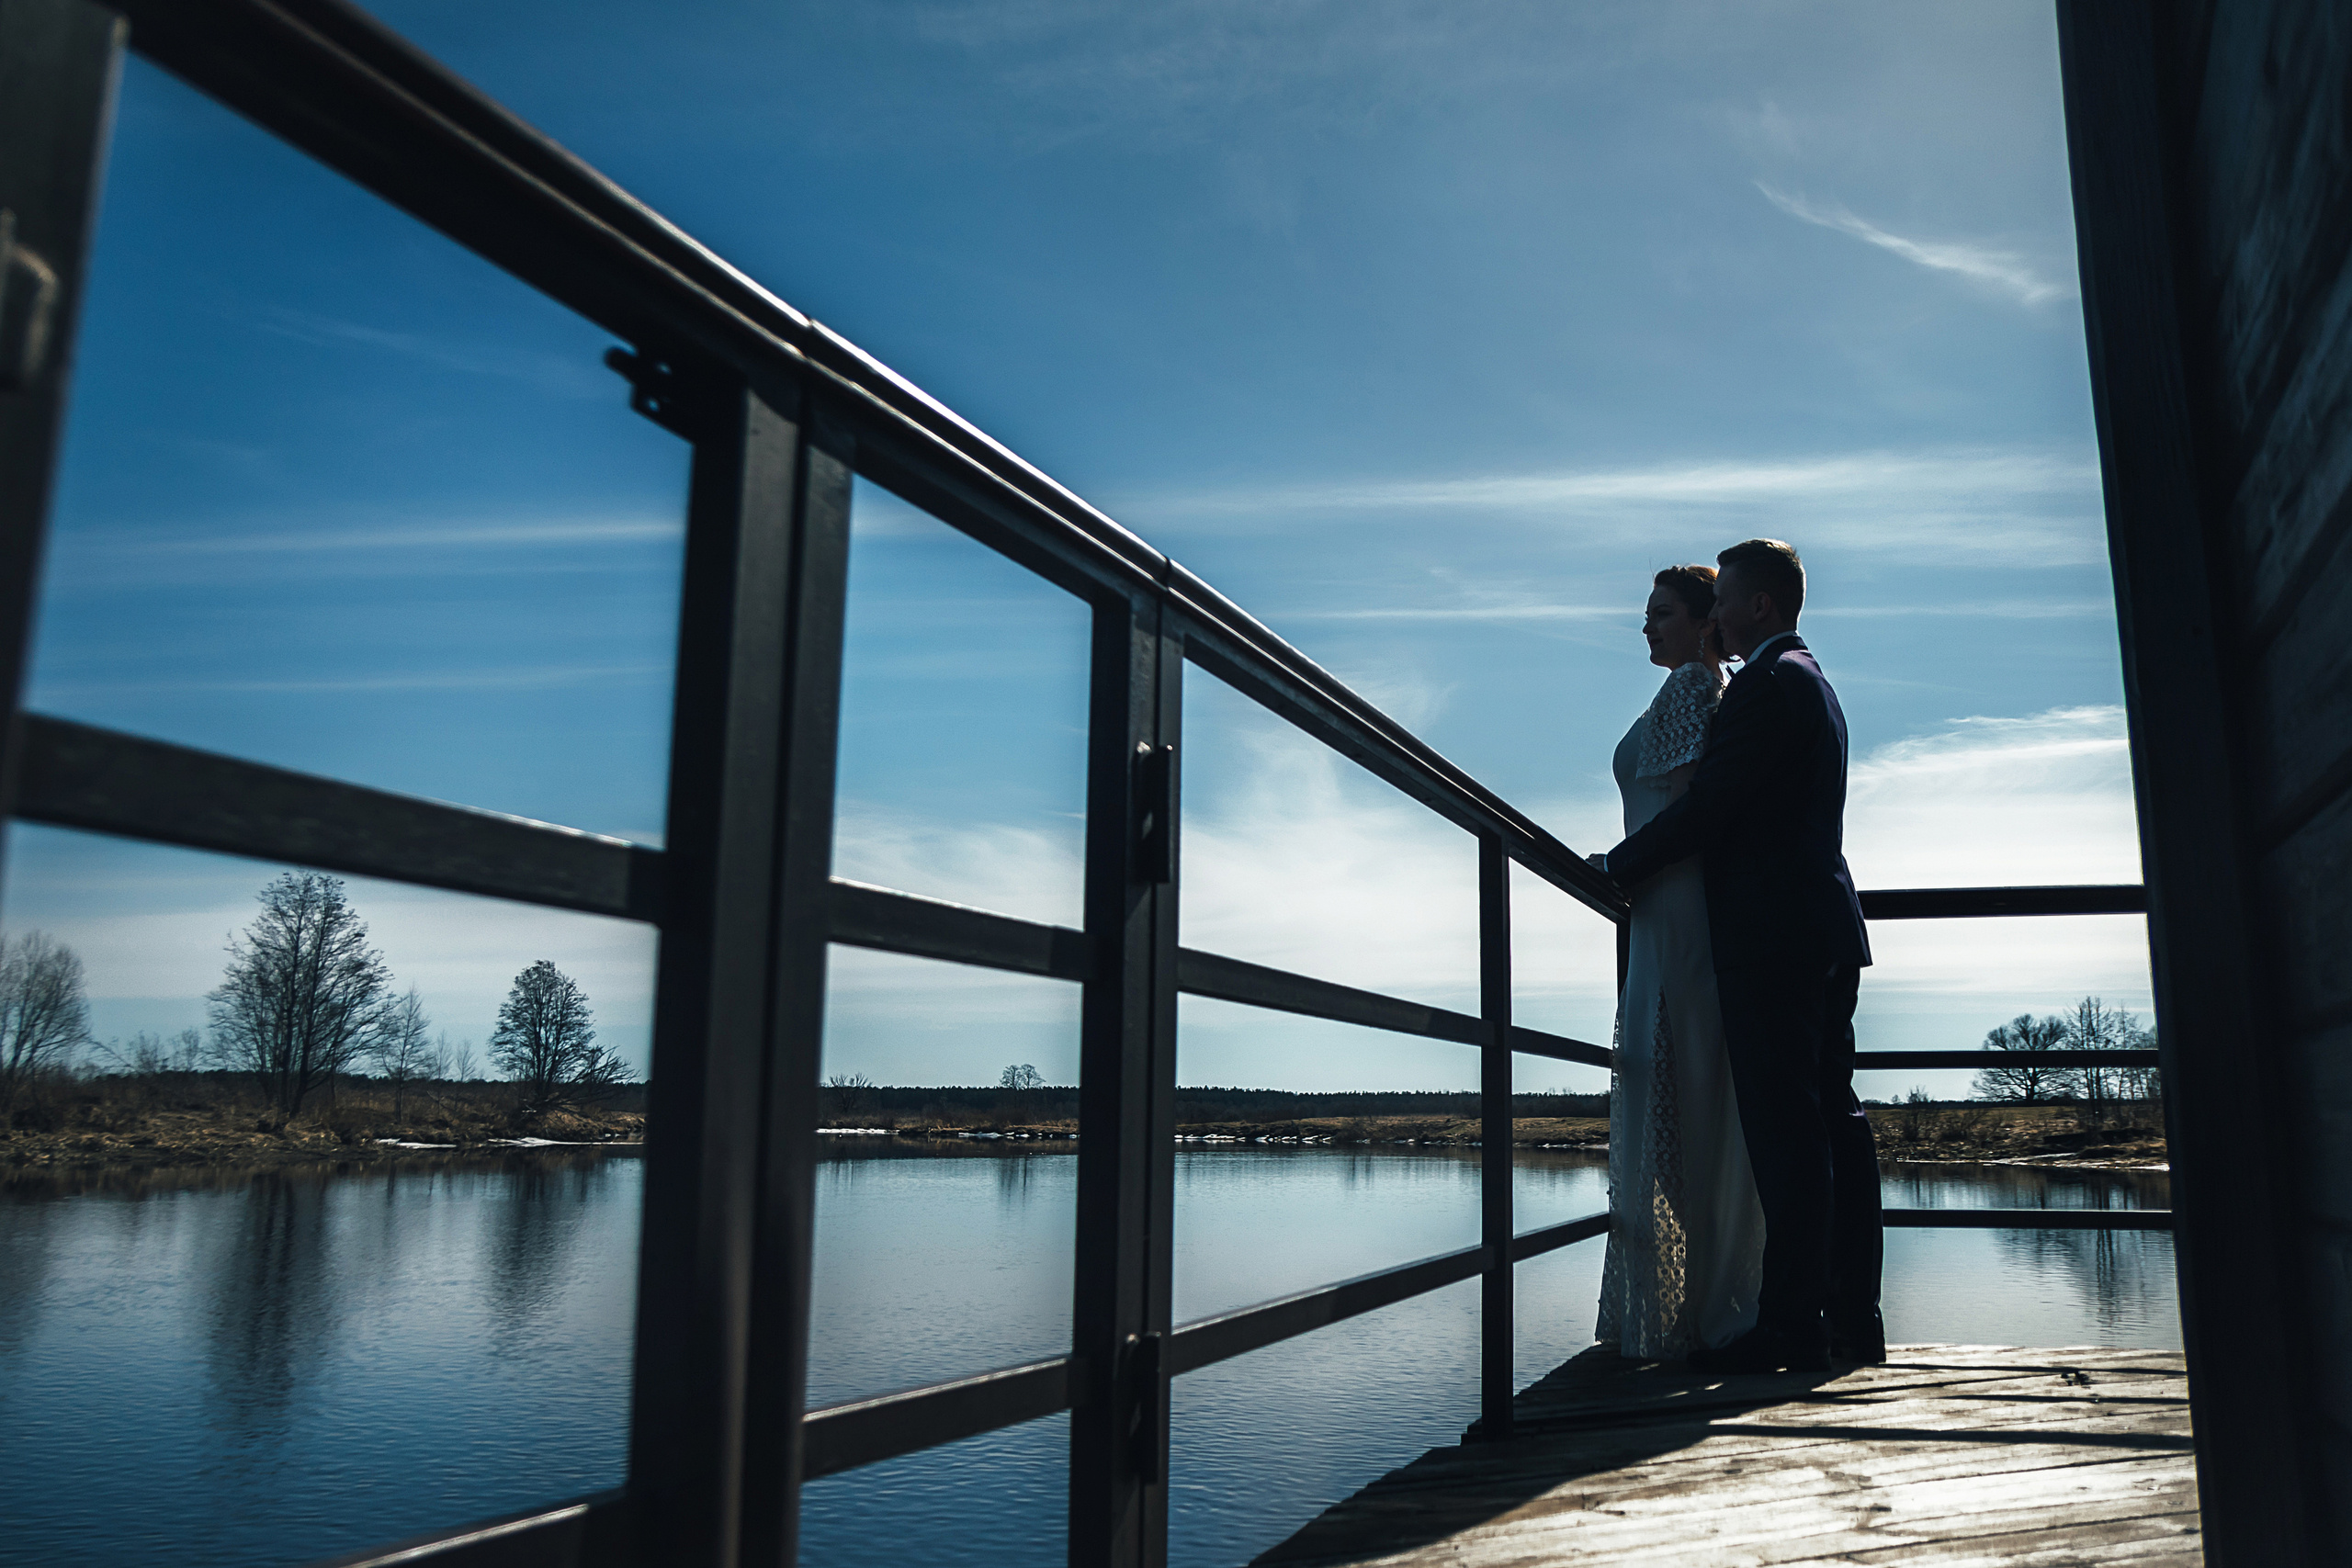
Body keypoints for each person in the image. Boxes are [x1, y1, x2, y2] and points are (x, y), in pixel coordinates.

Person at [1597, 538, 1883, 1374]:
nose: (1715, 616)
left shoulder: (1768, 683)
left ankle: (1791, 1324)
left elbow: (1711, 806)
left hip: (1773, 935)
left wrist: (1618, 865)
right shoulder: (1808, 678)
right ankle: (1848, 1316)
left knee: (1790, 1136)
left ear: (1759, 605)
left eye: (1723, 602)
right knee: (1831, 1126)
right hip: (1816, 927)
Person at [1592, 565, 1765, 1360]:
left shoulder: (1697, 688)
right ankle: (1697, 1293)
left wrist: (1621, 863)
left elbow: (1696, 809)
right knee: (1675, 1089)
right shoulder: (1682, 690)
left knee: (1682, 1090)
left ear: (1704, 623)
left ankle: (1704, 1298)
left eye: (1661, 612)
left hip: (1679, 910)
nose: (1646, 625)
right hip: (1660, 908)